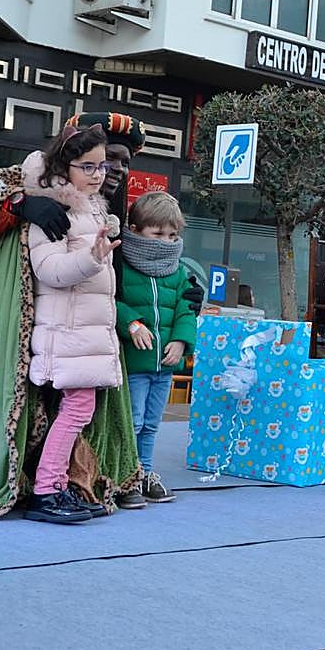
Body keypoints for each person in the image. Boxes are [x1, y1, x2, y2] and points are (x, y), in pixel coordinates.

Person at [0, 112, 200, 519]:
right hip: (13, 312)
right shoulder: (23, 179)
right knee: (18, 358)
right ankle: (14, 475)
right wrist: (19, 205)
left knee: (100, 400)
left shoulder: (102, 205)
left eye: (121, 162)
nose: (114, 170)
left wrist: (184, 289)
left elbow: (137, 263)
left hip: (89, 324)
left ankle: (101, 475)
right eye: (107, 159)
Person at [20, 123, 125, 523]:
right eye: (88, 166)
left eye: (102, 166)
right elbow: (50, 270)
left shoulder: (91, 207)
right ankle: (47, 491)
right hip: (67, 331)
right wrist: (92, 258)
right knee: (78, 409)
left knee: (78, 410)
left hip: (84, 332)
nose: (99, 175)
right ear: (65, 167)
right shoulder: (54, 207)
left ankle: (56, 487)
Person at [116, 191, 195, 504]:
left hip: (164, 364)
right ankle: (127, 476)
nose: (166, 241)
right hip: (135, 363)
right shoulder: (123, 265)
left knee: (150, 424)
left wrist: (181, 341)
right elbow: (110, 300)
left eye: (172, 235)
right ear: (135, 230)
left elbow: (185, 309)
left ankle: (145, 473)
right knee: (133, 421)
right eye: (158, 234)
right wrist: (131, 323)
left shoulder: (178, 270)